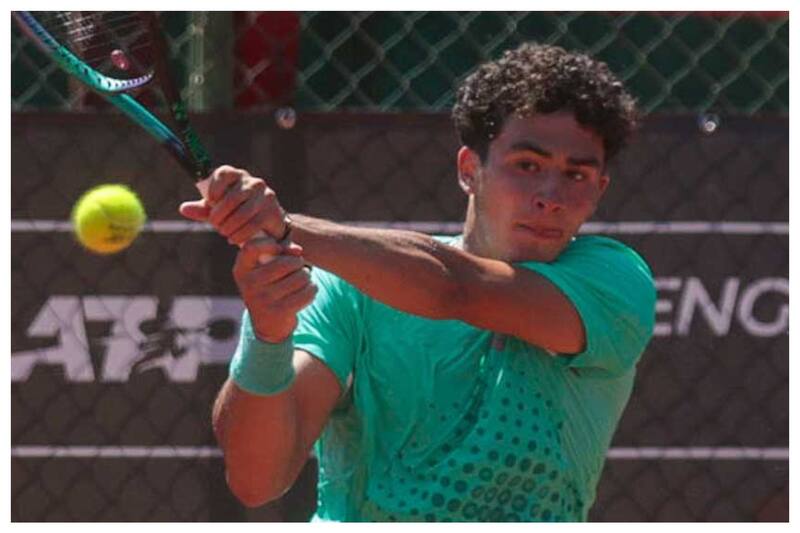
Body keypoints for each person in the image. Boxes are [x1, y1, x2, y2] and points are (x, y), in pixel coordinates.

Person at [179, 42, 656, 522]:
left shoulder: (615, 283)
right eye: (527, 166)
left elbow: (453, 289)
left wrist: (284, 225)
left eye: (576, 175)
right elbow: (257, 481)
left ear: (599, 192)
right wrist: (268, 334)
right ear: (471, 170)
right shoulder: (347, 289)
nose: (550, 197)